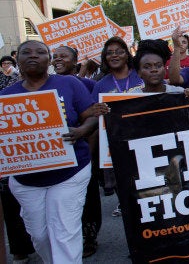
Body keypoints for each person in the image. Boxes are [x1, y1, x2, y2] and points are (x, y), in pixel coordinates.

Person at [1, 40, 98, 263]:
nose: (33, 56)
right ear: (17, 59)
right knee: (41, 235)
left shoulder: (69, 84)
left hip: (71, 172)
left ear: (49, 60)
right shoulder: (6, 96)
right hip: (27, 180)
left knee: (64, 234)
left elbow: (92, 115)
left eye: (40, 52)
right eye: (26, 52)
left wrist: (81, 130)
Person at [52, 46, 102, 257]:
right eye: (55, 57)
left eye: (63, 56)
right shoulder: (44, 86)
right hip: (52, 157)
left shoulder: (88, 85)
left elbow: (92, 115)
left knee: (87, 199)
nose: (58, 60)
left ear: (75, 61)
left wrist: (84, 133)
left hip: (81, 152)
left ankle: (88, 236)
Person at [91, 36, 143, 217]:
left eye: (119, 51)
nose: (114, 55)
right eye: (109, 53)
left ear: (127, 55)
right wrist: (96, 111)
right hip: (116, 145)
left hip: (144, 140)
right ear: (105, 57)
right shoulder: (100, 85)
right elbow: (93, 115)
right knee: (126, 192)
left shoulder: (141, 74)